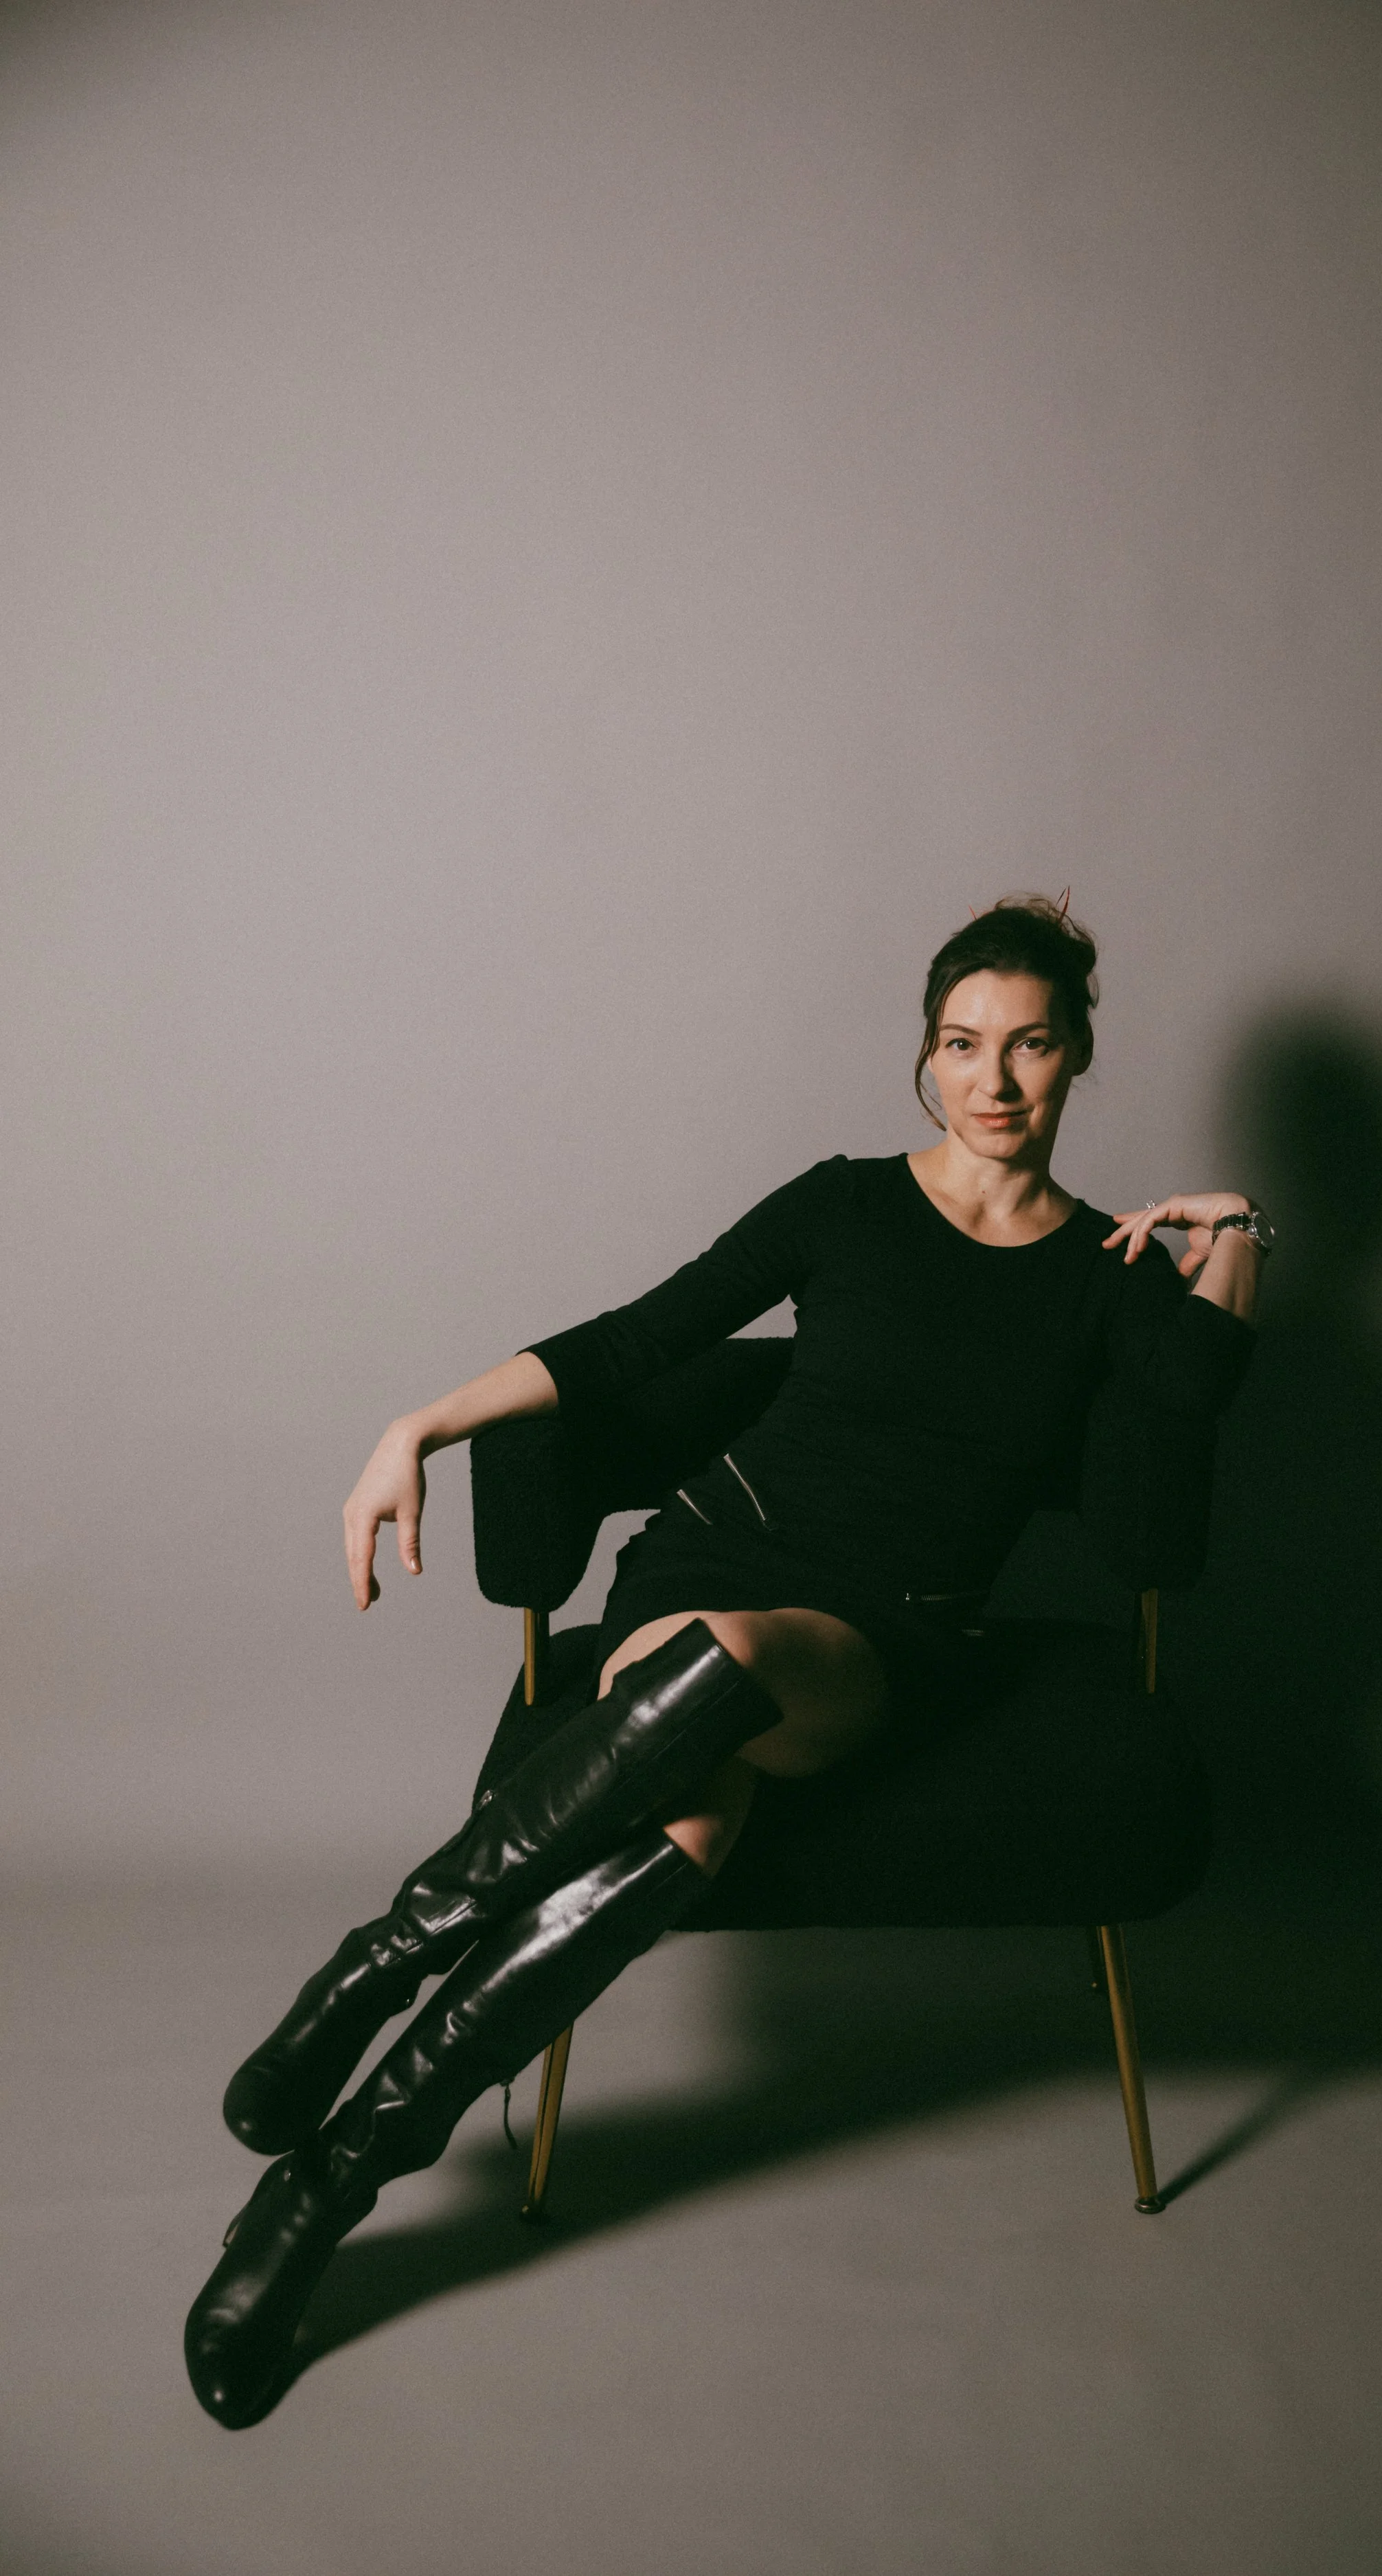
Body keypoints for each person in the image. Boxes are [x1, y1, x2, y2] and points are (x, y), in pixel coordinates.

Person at [184, 893, 1268, 2426]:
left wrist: (1231, 1231)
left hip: (878, 1634)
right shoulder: (840, 1204)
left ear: (1077, 1057)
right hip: (710, 1557)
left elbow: (1194, 1388)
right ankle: (322, 2194)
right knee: (691, 1814)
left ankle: (377, 1965)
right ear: (926, 1057)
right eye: (961, 1044)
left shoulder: (1104, 1273)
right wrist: (413, 1425)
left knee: (731, 1680)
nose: (993, 1080)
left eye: (1029, 1046)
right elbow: (636, 1340)